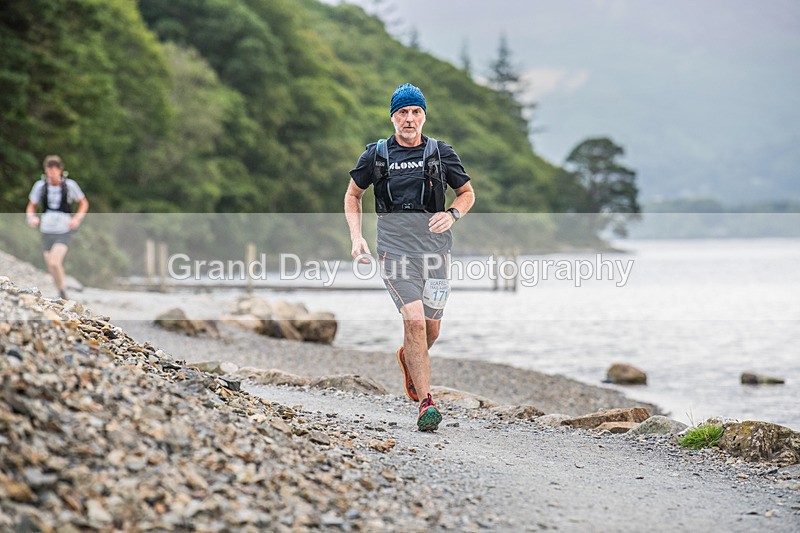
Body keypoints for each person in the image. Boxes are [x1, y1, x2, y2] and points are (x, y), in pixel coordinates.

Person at [344, 83, 475, 431]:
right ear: (392, 117)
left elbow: (467, 193)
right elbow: (353, 196)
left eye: (416, 112)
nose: (409, 119)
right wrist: (357, 238)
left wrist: (453, 214)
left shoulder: (441, 152)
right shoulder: (375, 155)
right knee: (414, 322)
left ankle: (408, 356)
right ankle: (426, 404)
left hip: (436, 254)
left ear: (423, 116)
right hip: (394, 251)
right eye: (402, 112)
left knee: (430, 329)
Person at [25, 155, 89, 300]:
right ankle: (60, 289)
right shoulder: (40, 186)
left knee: (55, 261)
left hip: (64, 229)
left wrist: (77, 219)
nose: (52, 173)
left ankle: (62, 292)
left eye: (54, 170)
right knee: (51, 264)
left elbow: (83, 203)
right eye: (49, 170)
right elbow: (31, 206)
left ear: (60, 170)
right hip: (46, 229)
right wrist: (31, 218)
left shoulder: (70, 185)